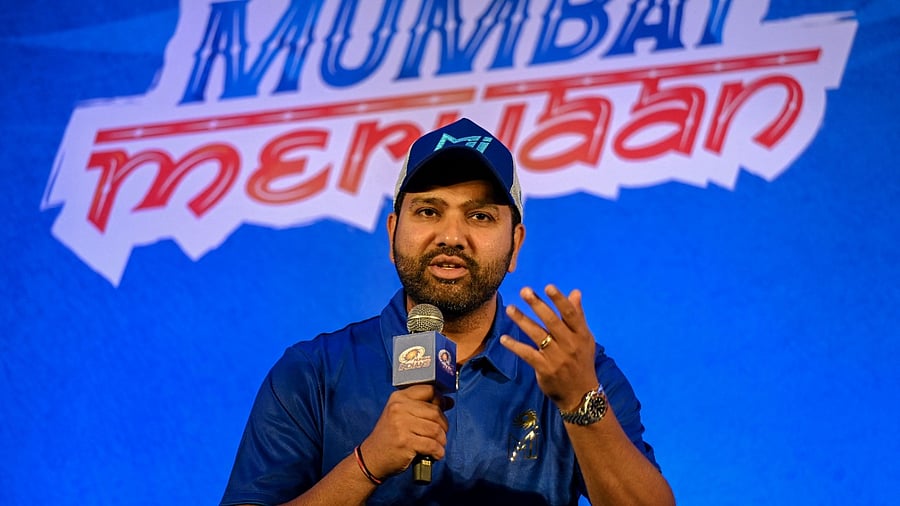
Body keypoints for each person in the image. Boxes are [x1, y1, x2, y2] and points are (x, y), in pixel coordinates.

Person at [220, 118, 675, 505]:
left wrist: (580, 403)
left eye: (479, 216)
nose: (451, 235)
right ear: (393, 233)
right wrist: (365, 464)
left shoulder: (570, 371)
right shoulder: (312, 373)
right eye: (428, 211)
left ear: (515, 244)